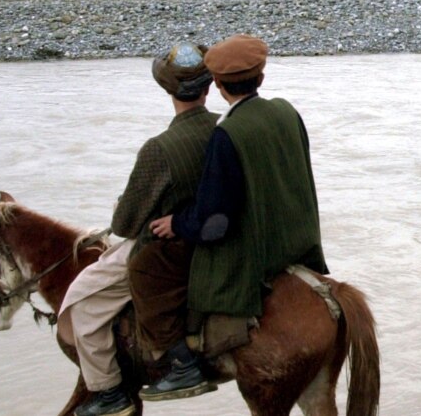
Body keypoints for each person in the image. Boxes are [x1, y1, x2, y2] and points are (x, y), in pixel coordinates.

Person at [131, 34, 329, 401]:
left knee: (144, 271)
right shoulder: (286, 110)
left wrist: (177, 223)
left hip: (254, 255)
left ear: (218, 86)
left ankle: (182, 366)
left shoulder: (227, 133)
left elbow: (213, 223)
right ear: (262, 79)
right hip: (299, 244)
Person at [57, 42, 219, 416]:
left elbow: (126, 223)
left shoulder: (159, 149)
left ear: (167, 90)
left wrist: (122, 207)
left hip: (165, 246)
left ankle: (108, 392)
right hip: (214, 238)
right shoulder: (225, 129)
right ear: (208, 88)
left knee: (82, 299)